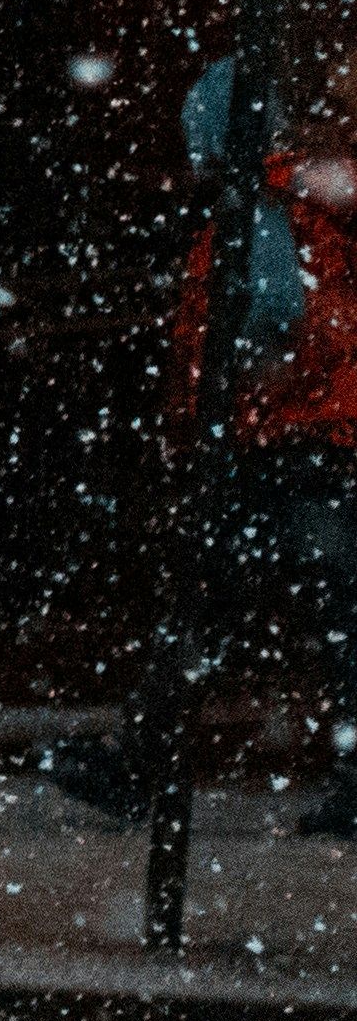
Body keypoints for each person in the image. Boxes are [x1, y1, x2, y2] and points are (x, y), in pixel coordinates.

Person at [152, 50, 357, 832]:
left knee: (214, 597)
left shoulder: (254, 211)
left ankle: (142, 756)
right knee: (328, 607)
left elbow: (267, 331)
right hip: (321, 433)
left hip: (291, 438)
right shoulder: (301, 198)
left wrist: (206, 414)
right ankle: (143, 751)